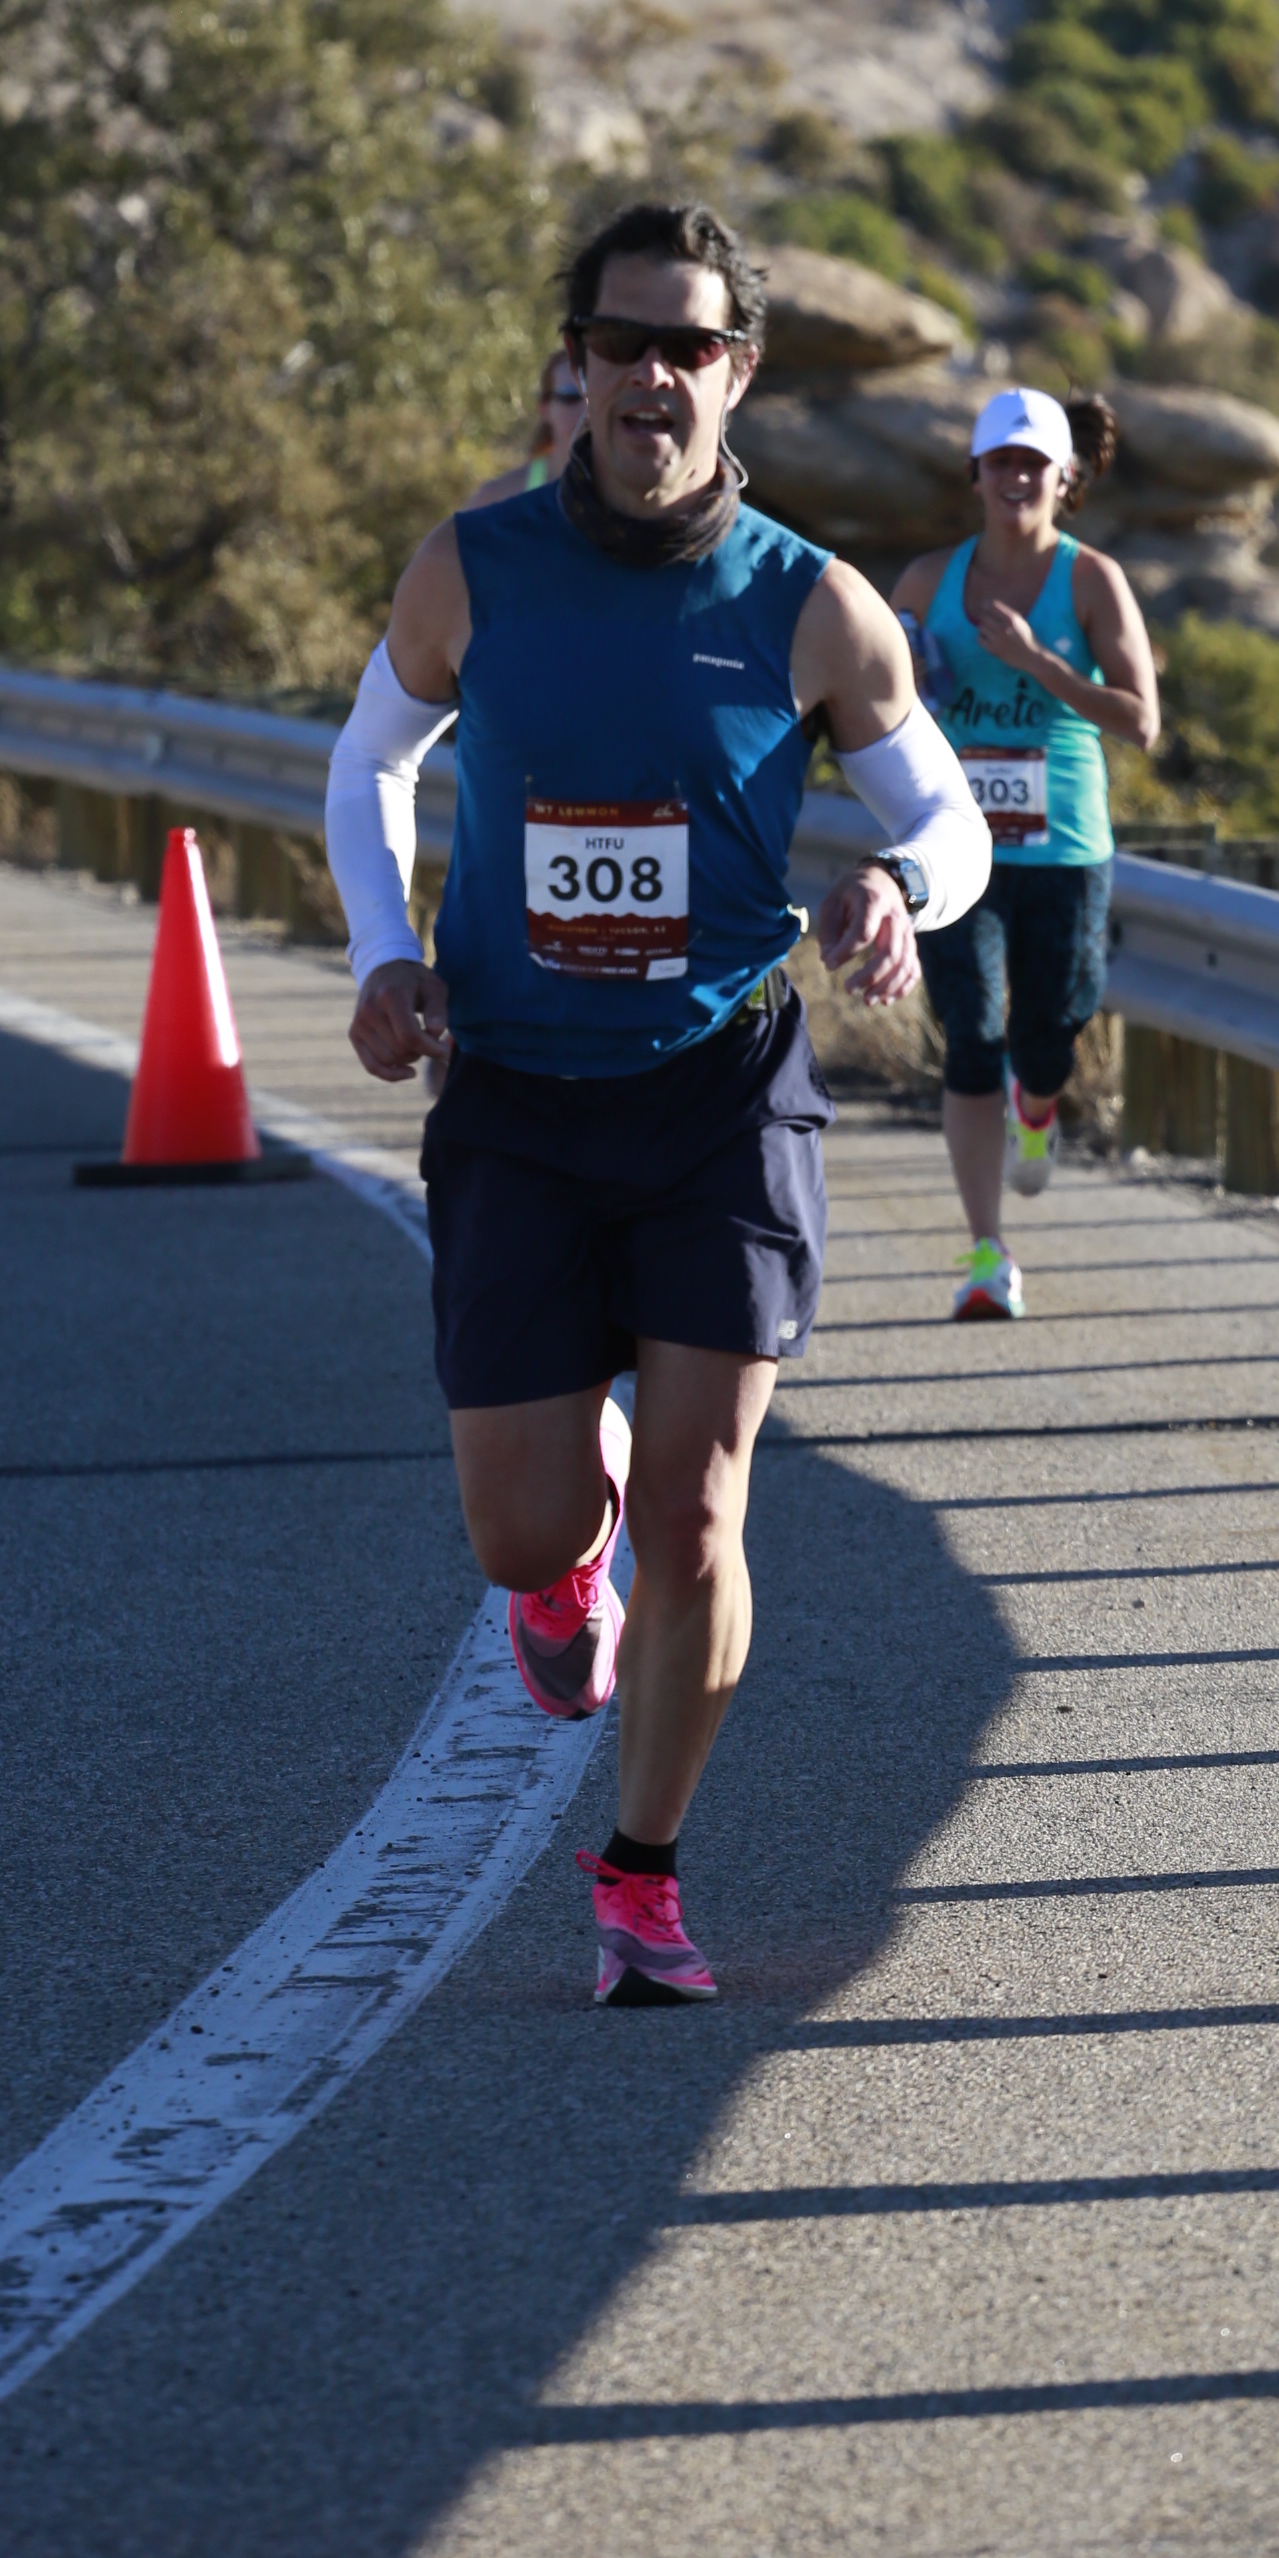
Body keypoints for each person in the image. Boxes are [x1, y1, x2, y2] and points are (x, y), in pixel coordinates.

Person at [324, 200, 990, 2004]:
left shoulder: (812, 602)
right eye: (619, 343)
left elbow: (949, 819)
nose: (650, 376)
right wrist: (386, 950)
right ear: (580, 365)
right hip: (517, 1098)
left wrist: (896, 890)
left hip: (721, 1099)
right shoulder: (474, 568)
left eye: (687, 345)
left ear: (737, 372)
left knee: (706, 1513)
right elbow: (372, 759)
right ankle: (567, 1568)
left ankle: (640, 1877)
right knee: (518, 1530)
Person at [891, 385, 1160, 1323]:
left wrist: (1039, 662)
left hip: (1066, 849)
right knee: (970, 1035)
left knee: (1052, 1027)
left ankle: (1037, 1104)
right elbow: (873, 699)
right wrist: (907, 679)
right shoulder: (927, 580)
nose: (1016, 477)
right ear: (975, 473)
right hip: (954, 842)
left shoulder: (1090, 581)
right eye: (1000, 461)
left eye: (1033, 463)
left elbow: (1142, 721)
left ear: (1065, 476)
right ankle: (986, 1253)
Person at [464, 349, 585, 507]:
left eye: (595, 396)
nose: (587, 410)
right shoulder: (499, 496)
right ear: (544, 408)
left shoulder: (619, 494)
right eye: (571, 397)